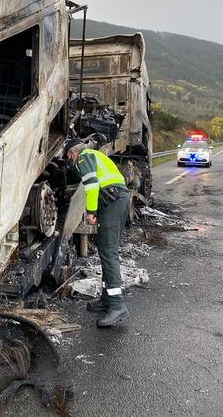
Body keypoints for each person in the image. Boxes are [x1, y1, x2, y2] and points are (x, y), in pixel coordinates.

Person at [64, 138, 131, 327]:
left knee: (108, 253)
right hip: (116, 200)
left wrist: (91, 211)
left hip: (112, 201)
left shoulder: (84, 157)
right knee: (106, 250)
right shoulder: (97, 155)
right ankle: (106, 300)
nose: (70, 162)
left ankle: (118, 306)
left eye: (68, 158)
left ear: (72, 153)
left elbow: (92, 184)